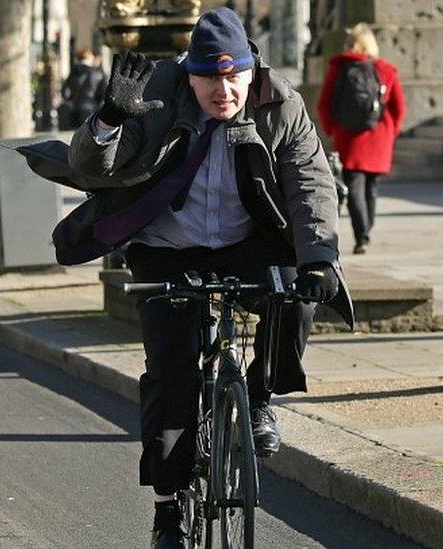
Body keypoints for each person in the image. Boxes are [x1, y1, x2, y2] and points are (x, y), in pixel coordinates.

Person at [63, 8, 353, 548]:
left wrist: (318, 259)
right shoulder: (155, 97)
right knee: (172, 378)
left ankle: (261, 398)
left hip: (248, 240)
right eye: (210, 79)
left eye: (234, 76)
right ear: (189, 75)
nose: (224, 91)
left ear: (251, 70)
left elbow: (310, 184)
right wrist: (107, 121)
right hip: (169, 249)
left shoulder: (279, 104)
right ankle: (168, 508)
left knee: (294, 295)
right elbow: (88, 169)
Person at [317, 23, 405, 254]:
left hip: (349, 137)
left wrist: (332, 129)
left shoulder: (340, 68)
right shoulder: (386, 70)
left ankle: (362, 236)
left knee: (353, 188)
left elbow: (324, 103)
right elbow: (398, 107)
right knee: (371, 189)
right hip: (379, 136)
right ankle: (367, 230)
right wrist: (390, 132)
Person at [60, 49, 107, 129]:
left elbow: (65, 90)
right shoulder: (98, 73)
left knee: (77, 134)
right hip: (92, 108)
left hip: (76, 107)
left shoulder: (74, 72)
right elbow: (104, 93)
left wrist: (69, 102)